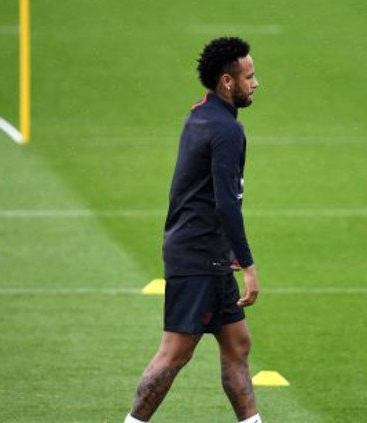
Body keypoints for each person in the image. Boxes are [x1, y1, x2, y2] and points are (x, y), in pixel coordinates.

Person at [123, 37, 262, 423]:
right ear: (227, 81)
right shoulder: (227, 130)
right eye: (249, 76)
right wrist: (248, 264)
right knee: (174, 354)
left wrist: (227, 250)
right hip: (199, 257)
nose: (256, 83)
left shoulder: (200, 114)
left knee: (237, 345)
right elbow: (225, 203)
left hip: (207, 253)